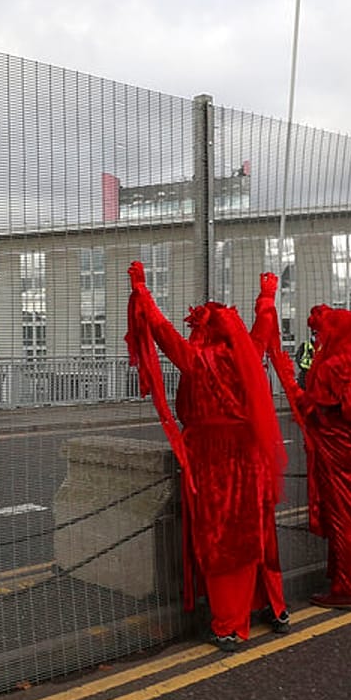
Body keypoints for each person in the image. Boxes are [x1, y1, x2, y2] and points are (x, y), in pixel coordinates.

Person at [127, 265, 289, 651]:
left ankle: (229, 623)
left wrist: (143, 294)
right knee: (257, 532)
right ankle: (272, 606)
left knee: (223, 540)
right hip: (250, 455)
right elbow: (264, 330)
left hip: (215, 458)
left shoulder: (202, 360)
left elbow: (166, 338)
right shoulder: (246, 354)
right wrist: (266, 298)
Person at [267, 305, 351, 608]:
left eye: (321, 331)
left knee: (342, 515)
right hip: (346, 444)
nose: (318, 336)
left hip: (333, 447)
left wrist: (289, 380)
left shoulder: (333, 365)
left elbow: (313, 407)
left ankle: (348, 586)